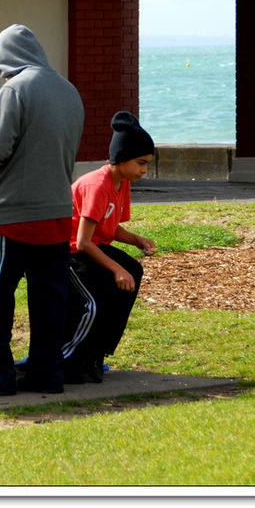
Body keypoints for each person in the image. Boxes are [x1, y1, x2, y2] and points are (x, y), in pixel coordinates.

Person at [0, 23, 84, 396]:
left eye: (0, 68)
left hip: (13, 216)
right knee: (50, 300)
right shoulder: (69, 91)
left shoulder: (15, 89)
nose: (1, 76)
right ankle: (47, 375)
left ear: (7, 61)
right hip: (57, 211)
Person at [64, 111, 156, 383]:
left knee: (134, 271)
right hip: (70, 251)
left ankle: (98, 351)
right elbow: (82, 241)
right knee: (104, 290)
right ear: (121, 159)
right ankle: (74, 358)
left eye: (147, 164)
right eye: (141, 163)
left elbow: (110, 227)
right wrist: (116, 270)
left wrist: (136, 240)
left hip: (93, 246)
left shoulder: (123, 182)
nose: (144, 171)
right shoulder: (97, 185)